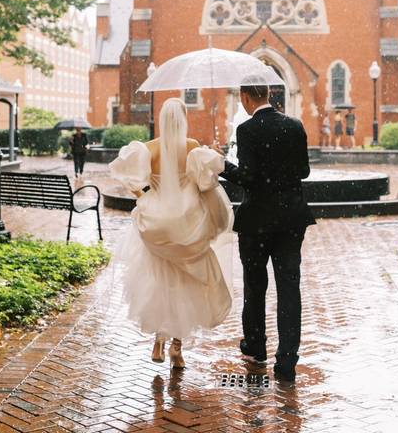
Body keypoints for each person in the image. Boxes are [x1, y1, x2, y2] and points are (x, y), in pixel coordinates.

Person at [109, 98, 233, 369]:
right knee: (185, 286)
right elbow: (205, 183)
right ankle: (177, 348)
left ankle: (158, 342)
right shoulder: (191, 147)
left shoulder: (148, 149)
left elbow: (128, 179)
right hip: (187, 225)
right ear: (184, 118)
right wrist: (210, 157)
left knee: (158, 281)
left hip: (157, 224)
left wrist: (146, 197)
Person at [219, 77, 314, 383]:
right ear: (270, 95)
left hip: (257, 221)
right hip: (290, 220)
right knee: (289, 288)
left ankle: (256, 347)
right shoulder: (295, 125)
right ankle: (286, 362)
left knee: (255, 285)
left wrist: (222, 165)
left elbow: (247, 177)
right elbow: (304, 171)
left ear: (246, 97)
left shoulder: (246, 129)